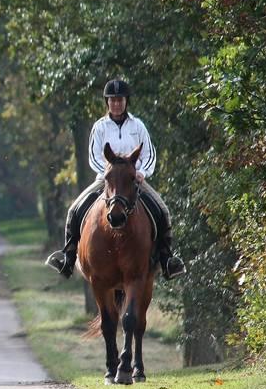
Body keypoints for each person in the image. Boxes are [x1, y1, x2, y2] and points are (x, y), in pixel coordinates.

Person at [46, 79, 186, 280]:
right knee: (74, 210)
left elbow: (149, 154)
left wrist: (141, 173)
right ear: (107, 102)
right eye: (112, 100)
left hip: (133, 179)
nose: (116, 104)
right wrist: (108, 174)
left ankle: (167, 260)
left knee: (163, 209)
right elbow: (93, 156)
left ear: (126, 101)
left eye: (120, 100)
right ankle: (67, 259)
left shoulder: (138, 126)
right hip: (107, 179)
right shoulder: (100, 127)